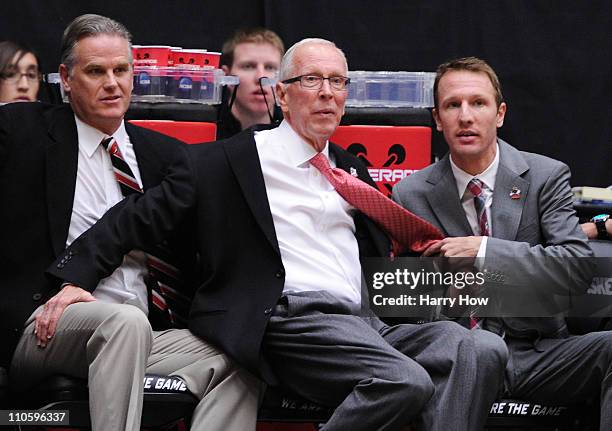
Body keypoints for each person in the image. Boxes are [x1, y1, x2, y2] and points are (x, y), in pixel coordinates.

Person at [48, 39, 508, 431]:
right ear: (283, 96)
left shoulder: (350, 169)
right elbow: (134, 217)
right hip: (290, 320)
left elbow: (383, 261)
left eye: (338, 82)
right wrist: (75, 280)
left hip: (367, 324)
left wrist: (469, 282)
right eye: (312, 81)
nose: (328, 93)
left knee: (483, 348)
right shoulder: (225, 162)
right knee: (404, 381)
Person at [0, 14, 259, 431]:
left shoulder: (167, 155)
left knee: (239, 359)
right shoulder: (21, 132)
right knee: (124, 322)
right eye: (96, 71)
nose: (112, 83)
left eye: (122, 70)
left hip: (147, 331)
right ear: (65, 78)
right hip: (44, 326)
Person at [393, 56, 612, 428]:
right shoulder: (409, 193)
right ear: (436, 119)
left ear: (500, 114)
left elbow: (574, 268)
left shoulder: (545, 175)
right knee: (480, 348)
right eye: (452, 105)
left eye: (478, 103)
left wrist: (483, 252)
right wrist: (530, 274)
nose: (465, 116)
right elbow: (407, 302)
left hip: (537, 353)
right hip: (461, 355)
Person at [217, 28, 284, 138]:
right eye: (248, 66)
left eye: (270, 67)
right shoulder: (209, 131)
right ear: (227, 76)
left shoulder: (296, 131)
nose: (260, 77)